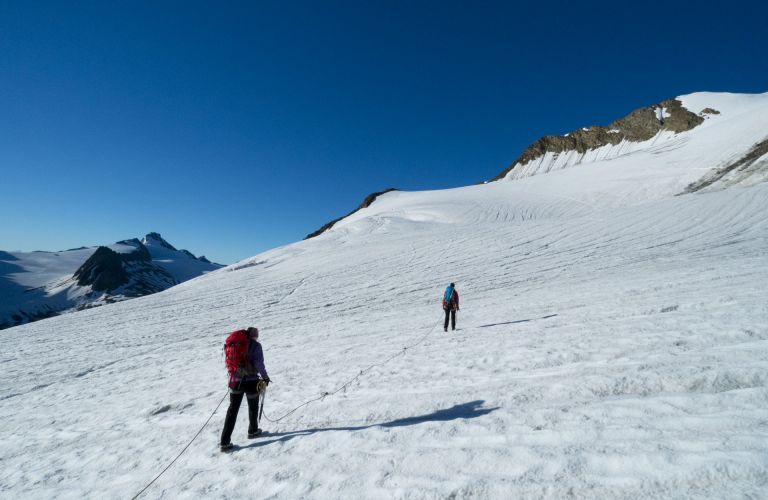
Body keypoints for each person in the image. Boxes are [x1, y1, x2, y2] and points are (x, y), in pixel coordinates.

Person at [220, 326, 270, 451]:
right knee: (253, 406)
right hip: (251, 381)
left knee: (232, 410)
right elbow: (259, 364)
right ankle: (253, 430)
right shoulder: (256, 346)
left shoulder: (235, 345)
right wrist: (265, 377)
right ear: (254, 335)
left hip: (235, 381)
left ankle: (224, 442)